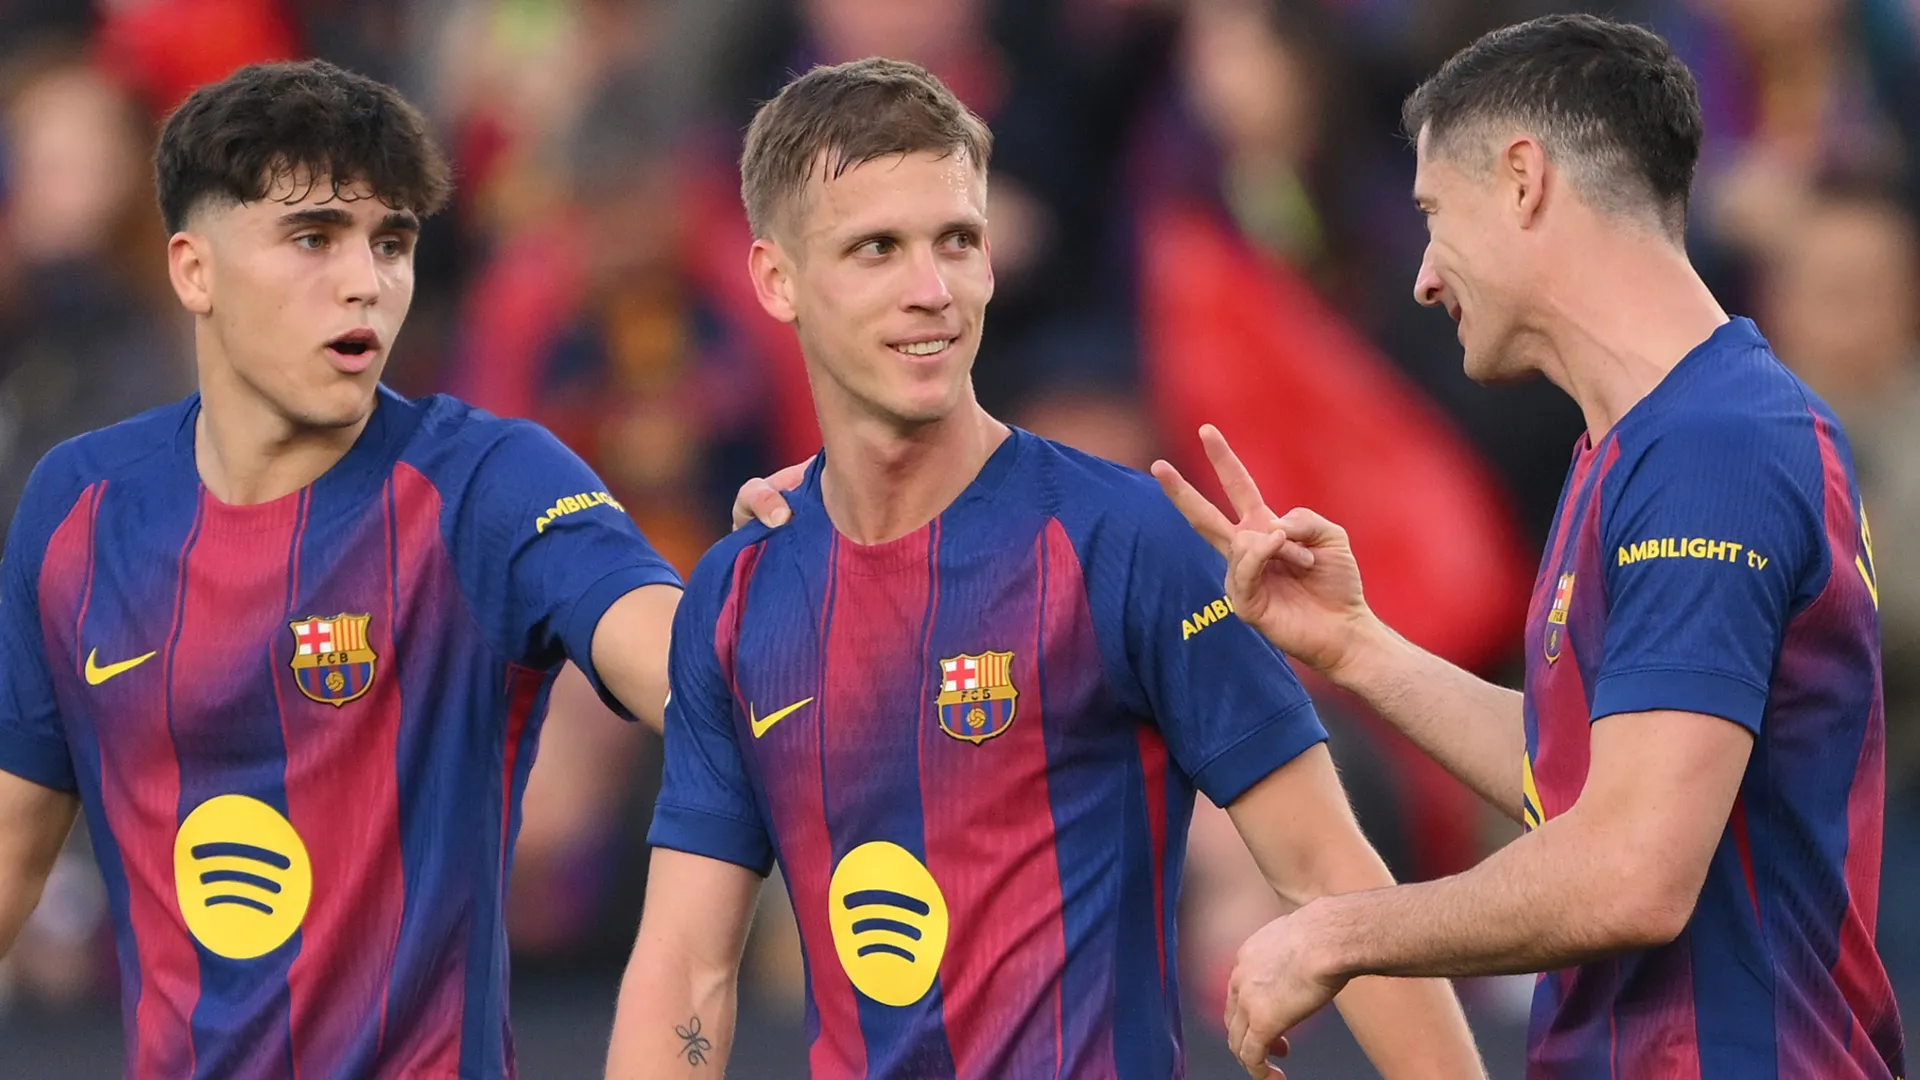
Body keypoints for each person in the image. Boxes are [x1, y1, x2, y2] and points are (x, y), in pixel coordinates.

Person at [605, 56, 1483, 1080]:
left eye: (957, 242)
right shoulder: (739, 594)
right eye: (876, 249)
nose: (930, 290)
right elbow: (686, 973)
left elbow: (1335, 882)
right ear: (775, 278)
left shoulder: (1118, 541)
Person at [1148, 14, 1910, 1079]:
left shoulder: (1713, 446)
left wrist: (1344, 931)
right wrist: (1360, 647)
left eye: (1433, 213)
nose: (1423, 274)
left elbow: (1633, 869)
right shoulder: (1635, 445)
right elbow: (1589, 774)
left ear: (1522, 181)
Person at [0, 60, 686, 1077]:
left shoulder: (486, 484)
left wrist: (780, 598)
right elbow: (12, 853)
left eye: (394, 242)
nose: (367, 280)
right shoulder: (80, 507)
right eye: (314, 237)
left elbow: (687, 665)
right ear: (195, 271)